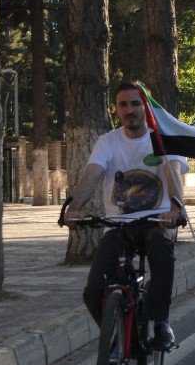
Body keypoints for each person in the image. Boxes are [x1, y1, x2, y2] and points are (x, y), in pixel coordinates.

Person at [63, 82, 188, 351]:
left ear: (145, 107)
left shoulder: (162, 138)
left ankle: (160, 322)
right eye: (123, 104)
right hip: (118, 226)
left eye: (135, 103)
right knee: (94, 291)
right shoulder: (107, 142)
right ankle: (122, 338)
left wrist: (175, 208)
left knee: (162, 252)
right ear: (116, 110)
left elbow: (173, 174)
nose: (129, 110)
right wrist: (73, 207)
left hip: (155, 221)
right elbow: (92, 175)